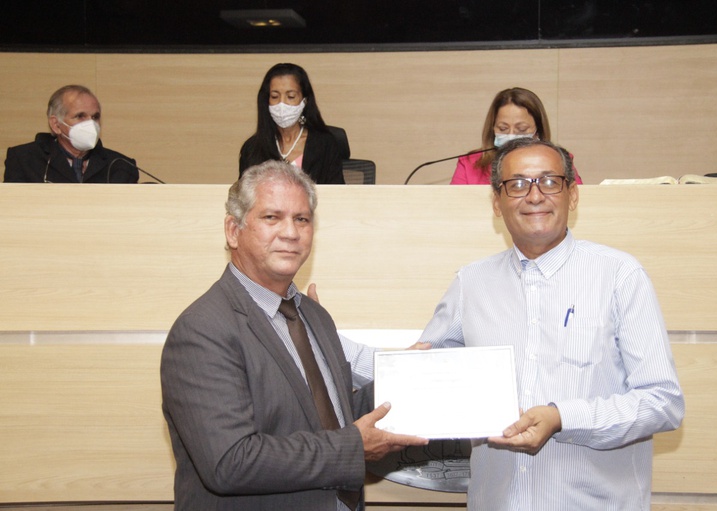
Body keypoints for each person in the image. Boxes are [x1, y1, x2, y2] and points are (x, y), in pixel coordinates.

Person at [420, 138, 684, 509]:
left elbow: (663, 402)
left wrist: (563, 418)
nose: (534, 196)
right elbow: (425, 372)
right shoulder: (471, 283)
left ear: (572, 195)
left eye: (549, 182)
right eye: (517, 184)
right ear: (496, 202)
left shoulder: (619, 276)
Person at [160, 160, 426, 510]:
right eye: (272, 217)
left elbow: (333, 416)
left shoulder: (315, 316)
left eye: (302, 219)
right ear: (233, 230)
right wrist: (353, 447)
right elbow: (231, 462)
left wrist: (403, 380)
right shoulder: (202, 330)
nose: (291, 232)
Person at [4, 84, 138, 183]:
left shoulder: (122, 166)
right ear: (56, 125)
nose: (91, 124)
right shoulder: (23, 159)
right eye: (80, 116)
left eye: (95, 117)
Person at [450, 87, 583, 185]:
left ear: (538, 131)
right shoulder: (469, 164)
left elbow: (577, 201)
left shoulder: (560, 161)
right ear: (492, 128)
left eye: (521, 129)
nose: (511, 135)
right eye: (503, 128)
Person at [239, 63, 345, 184]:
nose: (282, 104)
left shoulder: (325, 144)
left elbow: (337, 192)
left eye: (290, 96)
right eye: (274, 96)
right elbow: (242, 193)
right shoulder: (252, 148)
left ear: (304, 100)